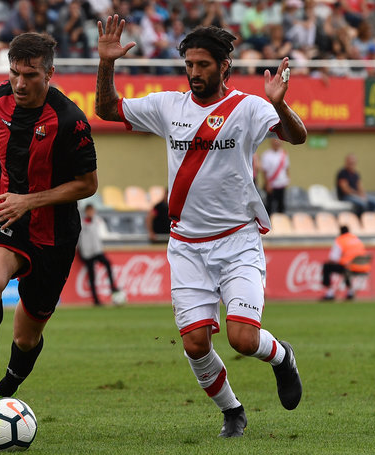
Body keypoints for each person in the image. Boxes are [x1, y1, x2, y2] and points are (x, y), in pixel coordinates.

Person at [96, 18, 305, 437]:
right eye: (189, 63)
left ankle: (282, 357)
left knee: (243, 340)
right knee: (195, 343)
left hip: (237, 242)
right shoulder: (168, 106)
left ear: (225, 66)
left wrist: (280, 105)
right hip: (187, 246)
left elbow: (296, 137)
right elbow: (106, 109)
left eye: (203, 64)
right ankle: (232, 411)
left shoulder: (248, 107)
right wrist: (106, 64)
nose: (194, 72)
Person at [0, 33, 98, 419]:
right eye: (15, 73)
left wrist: (30, 200)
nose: (20, 83)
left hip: (54, 232)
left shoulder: (71, 119)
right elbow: (11, 153)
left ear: (50, 73)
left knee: (26, 335)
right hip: (7, 213)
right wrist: (5, 193)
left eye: (31, 75)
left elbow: (88, 185)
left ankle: (4, 393)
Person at [77, 204, 124, 306]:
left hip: (97, 251)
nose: (91, 213)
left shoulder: (96, 221)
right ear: (86, 212)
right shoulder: (82, 223)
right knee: (92, 276)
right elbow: (79, 240)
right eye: (89, 211)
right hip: (87, 253)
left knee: (107, 263)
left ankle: (112, 286)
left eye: (92, 211)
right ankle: (96, 300)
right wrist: (82, 253)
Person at [319, 225, 369, 301]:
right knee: (346, 269)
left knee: (327, 266)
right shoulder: (356, 239)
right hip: (364, 267)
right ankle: (350, 292)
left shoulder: (340, 240)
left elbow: (333, 258)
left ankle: (330, 293)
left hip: (348, 267)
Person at [258, 138, 290, 214]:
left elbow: (286, 168)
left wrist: (288, 178)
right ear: (272, 143)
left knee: (281, 206)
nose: (277, 144)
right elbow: (264, 171)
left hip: (281, 184)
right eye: (275, 142)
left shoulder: (284, 154)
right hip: (271, 185)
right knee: (270, 206)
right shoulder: (266, 155)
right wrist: (267, 183)